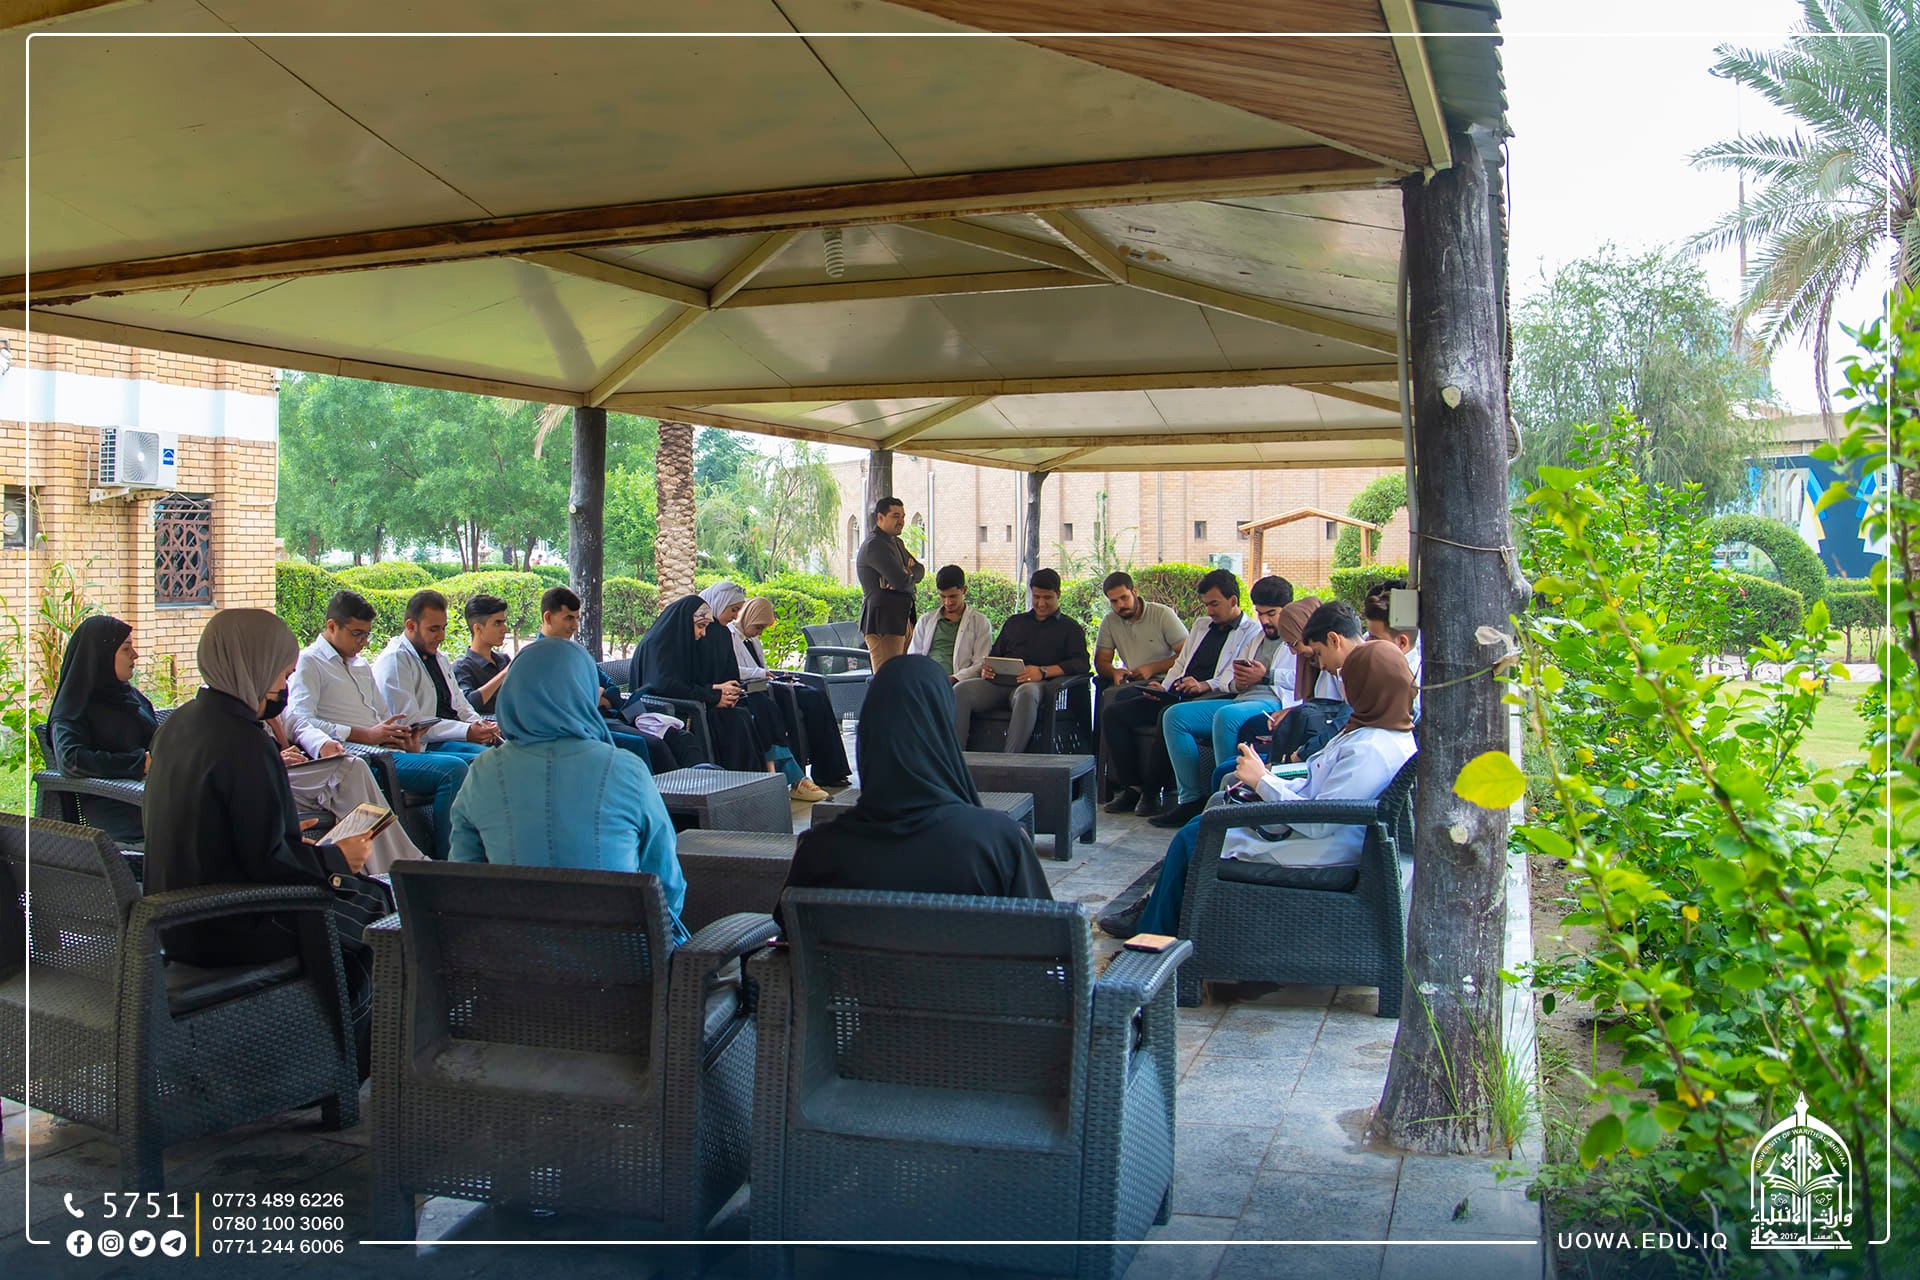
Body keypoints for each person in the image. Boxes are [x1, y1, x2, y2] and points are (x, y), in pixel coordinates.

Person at [143, 609, 379, 1069]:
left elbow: (227, 831)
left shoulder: (177, 725)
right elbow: (269, 864)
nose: (284, 687)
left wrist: (289, 836)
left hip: (173, 921)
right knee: (372, 909)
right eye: (282, 674)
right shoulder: (246, 742)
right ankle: (339, 1064)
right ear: (253, 665)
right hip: (231, 923)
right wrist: (336, 859)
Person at [1109, 640, 1417, 940]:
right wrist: (1268, 779)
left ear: (1366, 688)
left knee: (1195, 837)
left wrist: (1263, 782)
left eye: (1348, 680)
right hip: (1314, 830)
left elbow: (1323, 820)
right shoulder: (1374, 732)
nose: (1343, 689)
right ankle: (1158, 918)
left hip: (1320, 849)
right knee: (1205, 821)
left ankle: (1155, 935)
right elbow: (1318, 786)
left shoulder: (1370, 749)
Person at [449, 637, 689, 944]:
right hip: (621, 960)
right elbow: (667, 884)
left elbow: (464, 882)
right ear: (584, 690)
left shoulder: (482, 773)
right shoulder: (625, 769)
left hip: (513, 960)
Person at [781, 655, 1050, 927]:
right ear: (944, 730)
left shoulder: (818, 851)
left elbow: (786, 937)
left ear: (870, 734)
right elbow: (1048, 936)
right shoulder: (997, 845)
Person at [286, 589, 469, 859]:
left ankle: (467, 855)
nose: (363, 642)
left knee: (473, 761)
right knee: (452, 769)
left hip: (386, 750)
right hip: (359, 756)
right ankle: (449, 861)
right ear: (332, 626)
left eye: (367, 635)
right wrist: (364, 735)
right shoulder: (310, 662)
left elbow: (381, 715)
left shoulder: (360, 664)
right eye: (356, 634)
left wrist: (401, 738)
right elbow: (300, 720)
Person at [1100, 568, 1261, 821]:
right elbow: (1181, 662)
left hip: (1211, 697)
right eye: (1206, 604)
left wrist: (1204, 685)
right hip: (1179, 691)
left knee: (1168, 714)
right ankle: (1132, 787)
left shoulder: (1251, 631)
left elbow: (1233, 676)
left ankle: (1153, 793)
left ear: (1233, 600)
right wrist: (1164, 687)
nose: (1209, 611)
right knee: (1115, 713)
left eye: (1214, 604)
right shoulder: (1201, 625)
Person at [1158, 576, 1296, 824]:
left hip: (1274, 702)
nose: (1265, 620)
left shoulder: (1297, 641)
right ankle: (1190, 800)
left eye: (1272, 614)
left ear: (1288, 610)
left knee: (1226, 715)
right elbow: (1228, 678)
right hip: (1242, 697)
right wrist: (1238, 682)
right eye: (1260, 613)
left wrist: (1266, 675)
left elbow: (1300, 681)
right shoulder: (1256, 639)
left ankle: (1226, 800)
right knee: (1175, 716)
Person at [266, 709, 429, 873]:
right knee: (347, 769)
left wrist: (322, 744)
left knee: (353, 767)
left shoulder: (268, 704)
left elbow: (297, 723)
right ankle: (398, 869)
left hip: (290, 772)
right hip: (265, 780)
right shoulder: (251, 713)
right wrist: (271, 759)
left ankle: (398, 867)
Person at [951, 568, 1090, 753]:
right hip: (1000, 683)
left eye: (1047, 597)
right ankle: (956, 756)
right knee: (961, 690)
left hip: (1040, 685)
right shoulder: (1015, 622)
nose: (1041, 603)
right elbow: (995, 654)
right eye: (1036, 597)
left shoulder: (1069, 628)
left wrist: (1043, 671)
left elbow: (1081, 663)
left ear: (1058, 594)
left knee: (1026, 693)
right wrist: (987, 669)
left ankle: (1011, 759)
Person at [47, 615, 155, 846]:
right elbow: (70, 760)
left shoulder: (131, 698)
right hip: (122, 808)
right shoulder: (74, 709)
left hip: (156, 796)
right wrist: (138, 764)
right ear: (101, 656)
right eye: (126, 649)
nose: (135, 655)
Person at [537, 585, 673, 770]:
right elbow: (572, 703)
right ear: (548, 617)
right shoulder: (536, 659)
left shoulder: (577, 652)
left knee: (675, 736)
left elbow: (610, 687)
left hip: (609, 717)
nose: (575, 626)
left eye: (576, 618)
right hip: (575, 730)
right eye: (568, 618)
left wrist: (599, 694)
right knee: (649, 745)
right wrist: (595, 695)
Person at [731, 595, 852, 794]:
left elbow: (761, 667)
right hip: (755, 688)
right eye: (758, 627)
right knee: (808, 699)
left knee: (817, 696)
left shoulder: (752, 640)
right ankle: (820, 772)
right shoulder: (730, 636)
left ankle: (832, 769)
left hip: (765, 683)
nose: (759, 633)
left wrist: (767, 673)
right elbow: (734, 669)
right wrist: (761, 673)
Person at [628, 594, 762, 772]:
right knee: (732, 721)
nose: (703, 633)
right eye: (700, 626)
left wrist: (715, 689)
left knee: (741, 714)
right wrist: (713, 696)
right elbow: (664, 686)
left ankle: (753, 780)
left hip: (687, 705)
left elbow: (684, 680)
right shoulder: (658, 645)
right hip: (668, 712)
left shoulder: (678, 643)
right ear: (684, 622)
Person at [371, 589, 502, 760]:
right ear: (411, 626)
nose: (441, 636)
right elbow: (411, 725)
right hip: (424, 744)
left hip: (451, 737)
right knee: (490, 760)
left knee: (511, 752)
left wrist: (480, 725)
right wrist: (466, 731)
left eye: (443, 628)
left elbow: (460, 705)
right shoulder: (395, 660)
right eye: (433, 629)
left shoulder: (438, 658)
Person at [856, 495, 924, 671]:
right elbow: (901, 582)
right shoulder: (875, 545)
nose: (901, 521)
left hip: (901, 620)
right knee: (887, 678)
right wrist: (904, 575)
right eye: (895, 516)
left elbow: (920, 570)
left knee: (900, 677)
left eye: (902, 516)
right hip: (883, 623)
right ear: (880, 517)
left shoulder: (897, 543)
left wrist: (908, 573)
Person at [1091, 571, 1187, 691]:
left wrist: (1153, 668)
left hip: (1167, 682)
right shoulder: (1110, 621)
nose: (1120, 605)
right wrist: (1114, 672)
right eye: (1114, 601)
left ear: (1135, 592)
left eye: (1124, 597)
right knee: (1110, 698)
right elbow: (1101, 662)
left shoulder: (1162, 614)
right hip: (1133, 683)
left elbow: (1187, 655)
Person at [908, 564, 992, 682]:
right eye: (943, 596)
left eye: (953, 596)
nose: (947, 602)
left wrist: (954, 678)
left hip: (961, 684)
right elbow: (914, 657)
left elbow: (980, 662)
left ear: (964, 590)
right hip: (926, 680)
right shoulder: (925, 621)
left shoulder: (980, 623)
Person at [450, 593, 513, 716]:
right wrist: (504, 674)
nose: (504, 629)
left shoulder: (504, 660)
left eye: (503, 623)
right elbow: (468, 704)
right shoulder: (462, 667)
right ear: (478, 629)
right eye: (497, 623)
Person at [1363, 580, 1424, 691]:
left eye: (1374, 639)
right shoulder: (1380, 671)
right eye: (1369, 636)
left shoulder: (1415, 686)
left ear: (1402, 642)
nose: (1366, 642)